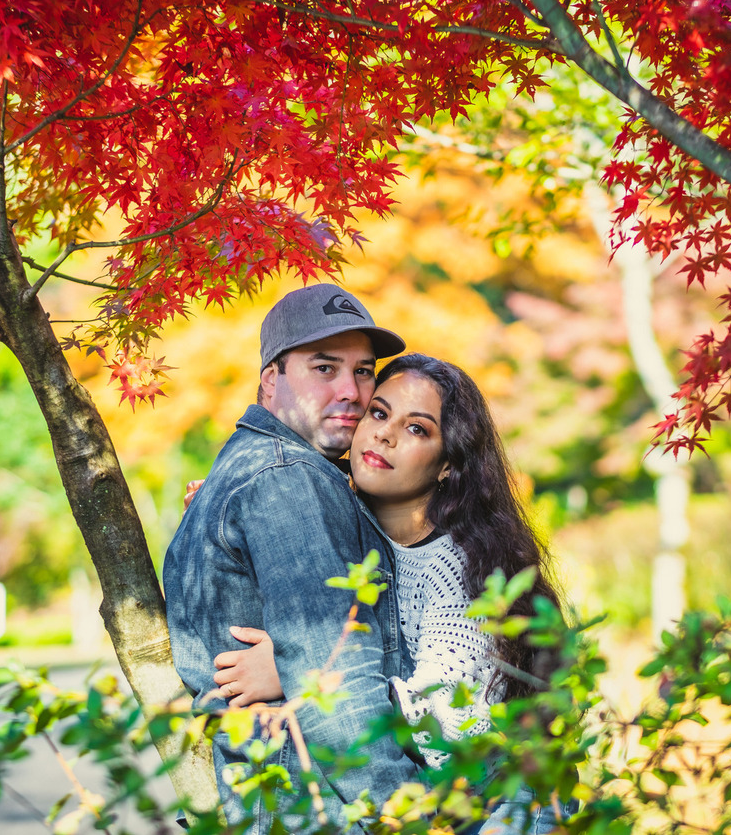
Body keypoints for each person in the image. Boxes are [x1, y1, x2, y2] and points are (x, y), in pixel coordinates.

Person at [211, 353, 567, 833]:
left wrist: (302, 667)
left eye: (417, 429)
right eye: (378, 413)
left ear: (447, 465)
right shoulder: (328, 513)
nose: (384, 433)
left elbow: (439, 717)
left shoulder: (459, 569)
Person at [161, 284, 420, 834]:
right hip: (315, 805)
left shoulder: (258, 467)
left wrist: (293, 666)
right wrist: (405, 817)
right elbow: (338, 684)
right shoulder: (285, 478)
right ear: (270, 378)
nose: (352, 391)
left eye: (364, 370)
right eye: (324, 368)